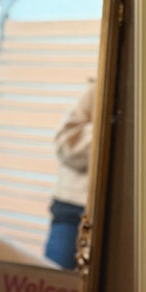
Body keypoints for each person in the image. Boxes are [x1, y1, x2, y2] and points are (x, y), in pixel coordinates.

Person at [44, 80, 95, 269]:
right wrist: (108, 131)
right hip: (73, 210)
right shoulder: (97, 89)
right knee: (54, 284)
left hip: (118, 218)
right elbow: (64, 143)